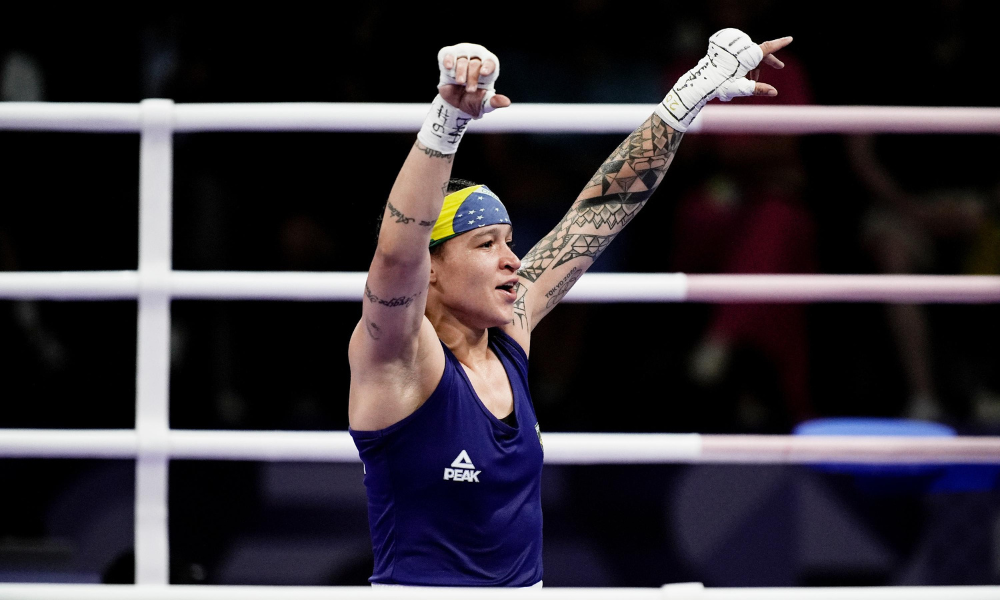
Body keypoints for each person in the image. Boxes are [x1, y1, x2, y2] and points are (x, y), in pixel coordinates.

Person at [348, 31, 793, 587]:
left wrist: (687, 97)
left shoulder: (511, 330)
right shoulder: (397, 358)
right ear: (430, 266)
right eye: (487, 244)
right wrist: (447, 121)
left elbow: (597, 212)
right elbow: (394, 255)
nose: (513, 260)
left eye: (510, 241)